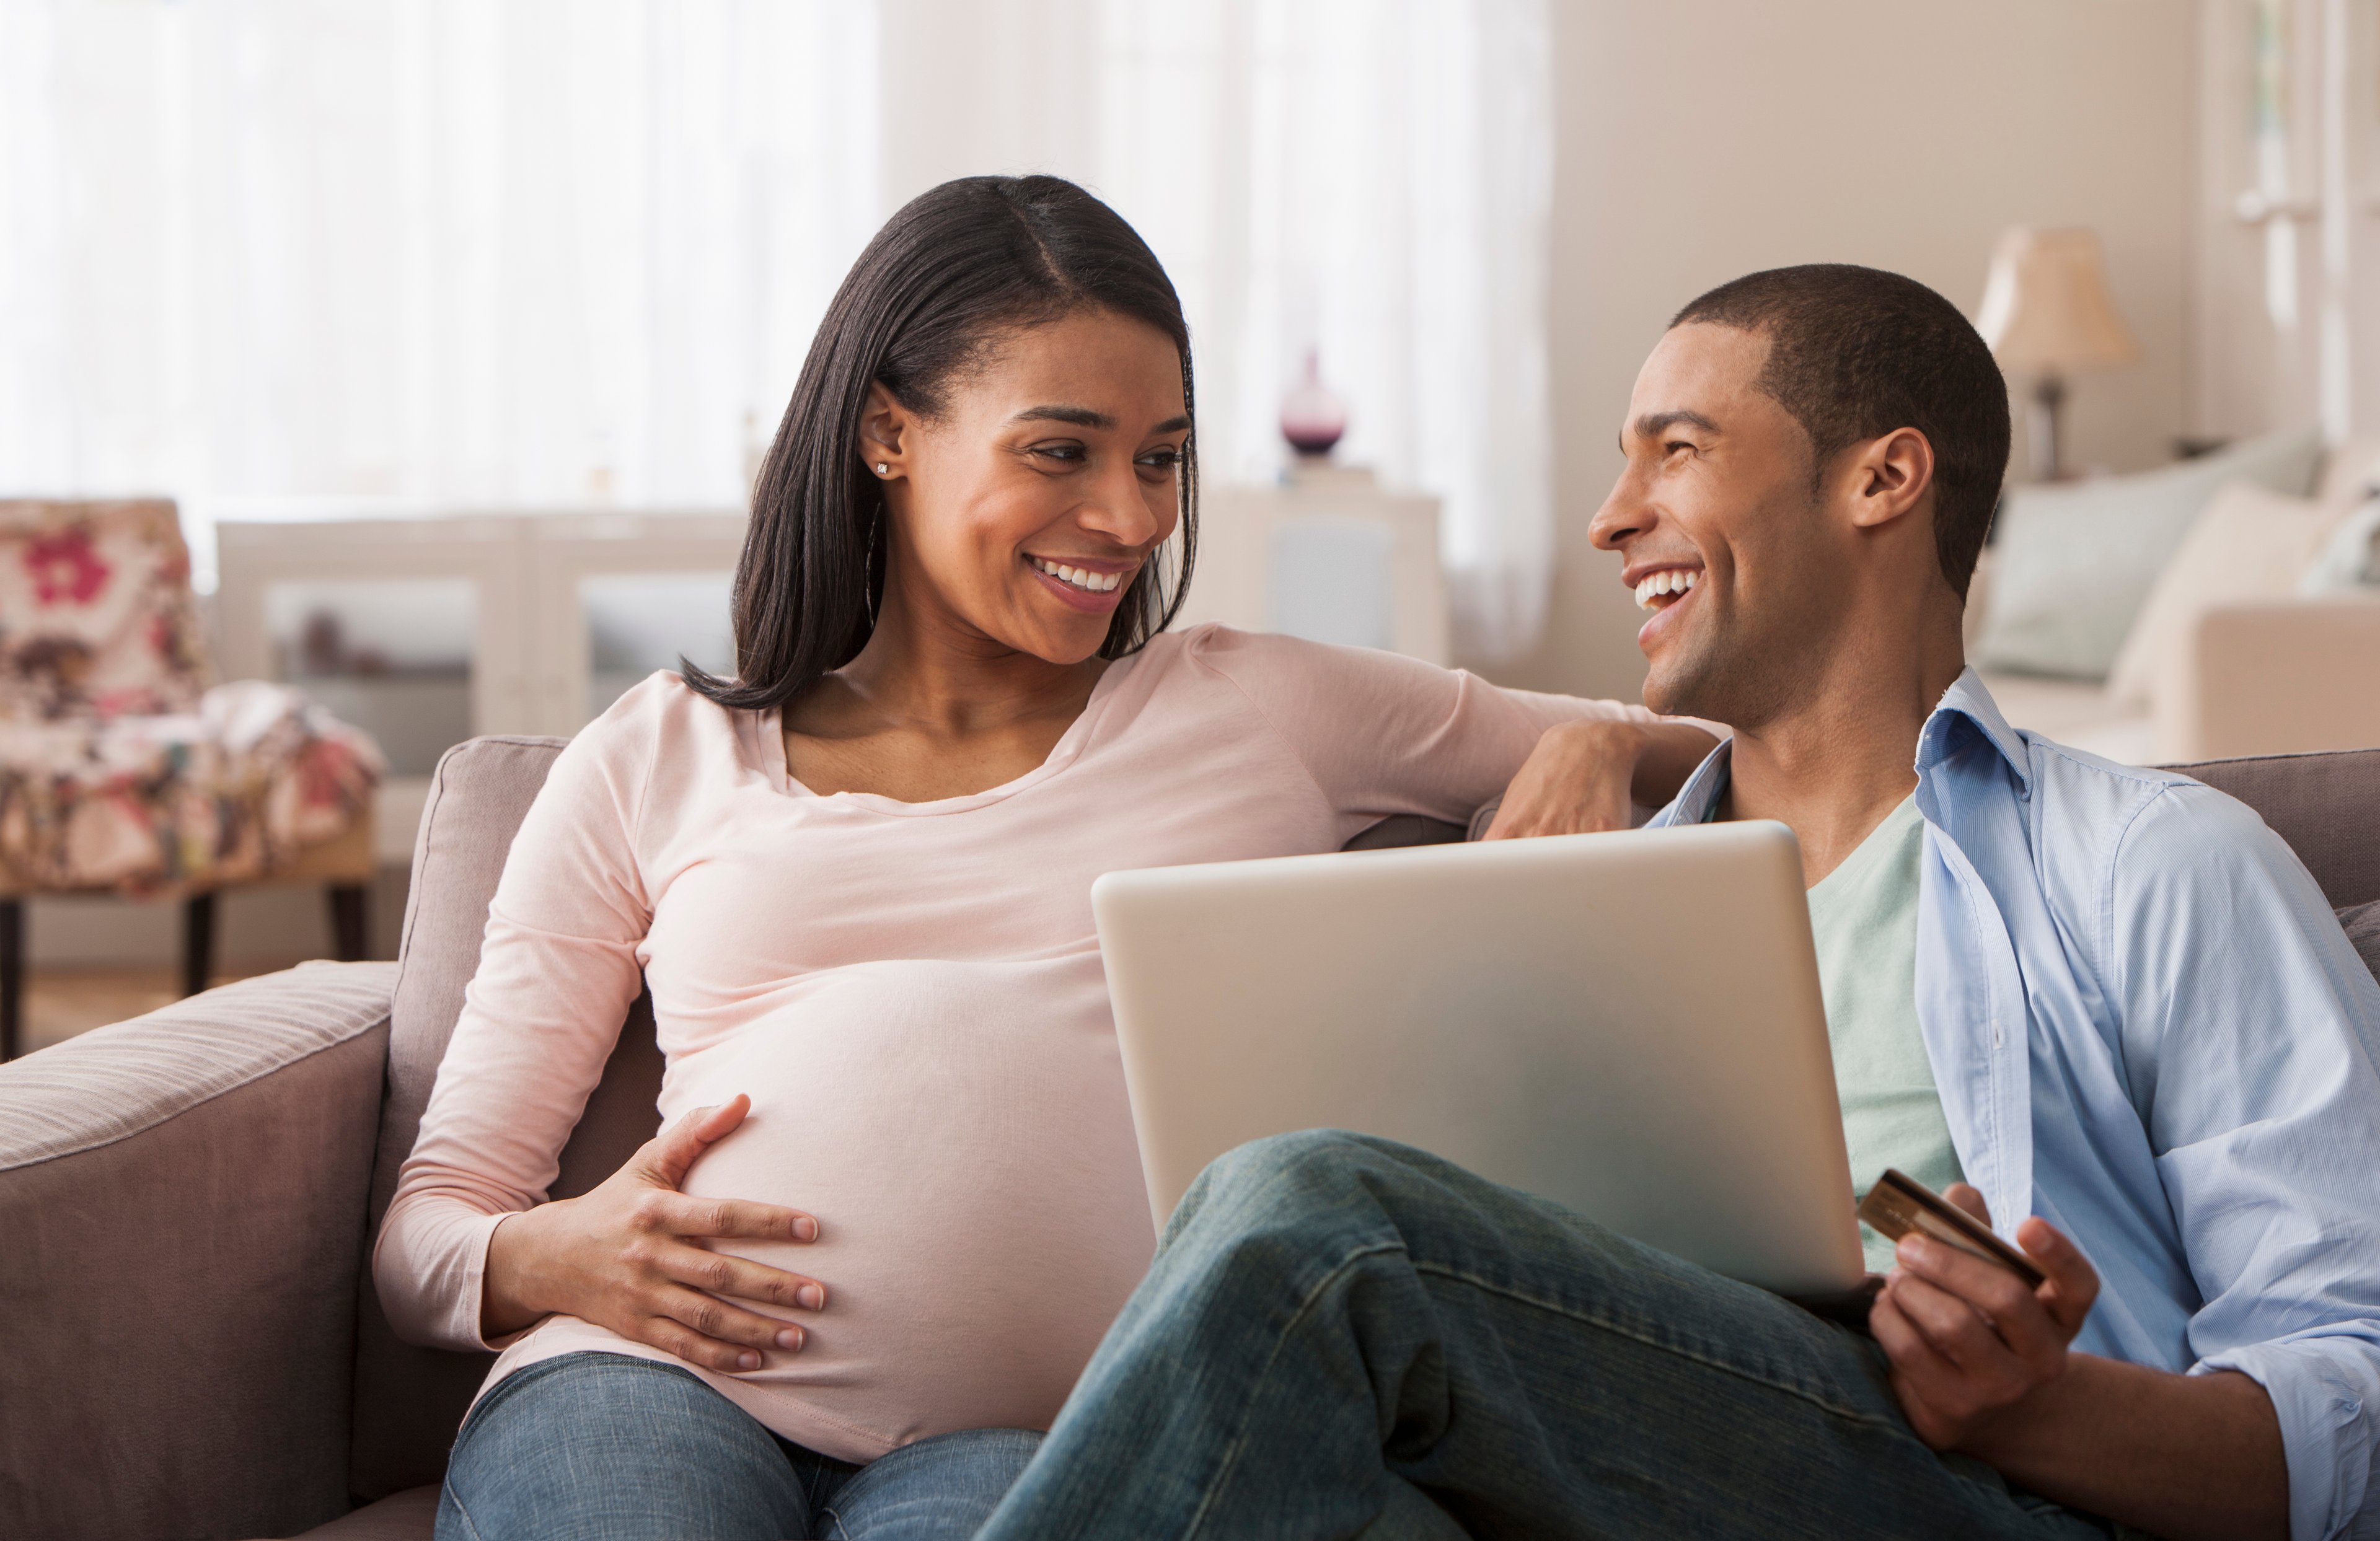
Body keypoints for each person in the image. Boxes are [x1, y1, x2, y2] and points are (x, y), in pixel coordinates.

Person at [375, 174, 1717, 1541]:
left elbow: (1729, 740)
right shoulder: (657, 756)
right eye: (1062, 451)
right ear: (889, 434)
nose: (1132, 520)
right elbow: (426, 1232)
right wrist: (550, 1254)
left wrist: (1601, 744)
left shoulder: (1259, 706)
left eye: (1159, 457)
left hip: (1035, 1438)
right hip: (640, 1385)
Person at [969, 265, 2380, 1541]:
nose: (1609, 516)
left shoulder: (2158, 866)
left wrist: (2033, 1405)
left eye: (1678, 451)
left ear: (1883, 479)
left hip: (1973, 1487)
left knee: (1312, 1207)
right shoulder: (1597, 898)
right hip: (1588, 1463)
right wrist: (1597, 749)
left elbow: (2351, 1407)